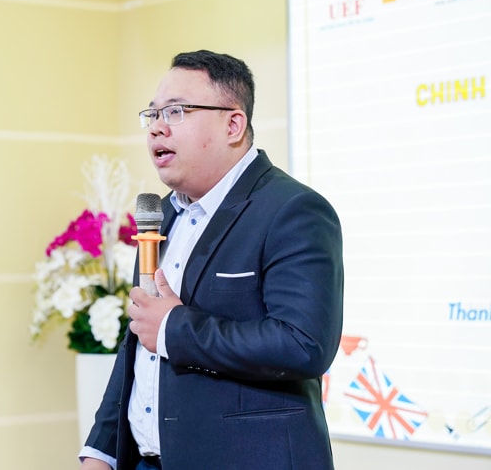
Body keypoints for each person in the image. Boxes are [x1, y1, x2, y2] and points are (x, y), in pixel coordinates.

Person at [78, 50, 344, 470]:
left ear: (233, 125)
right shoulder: (161, 215)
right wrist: (101, 451)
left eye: (176, 111)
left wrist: (174, 327)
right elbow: (142, 340)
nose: (157, 127)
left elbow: (303, 344)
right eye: (153, 114)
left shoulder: (292, 210)